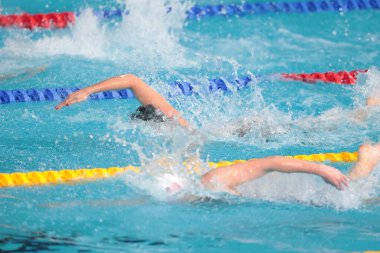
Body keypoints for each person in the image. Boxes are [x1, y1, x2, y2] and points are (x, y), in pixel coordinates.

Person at [55, 74, 380, 195]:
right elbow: (131, 80)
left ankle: (366, 111)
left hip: (257, 131)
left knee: (325, 128)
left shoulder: (179, 132)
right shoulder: (172, 123)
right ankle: (365, 110)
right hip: (246, 130)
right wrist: (87, 90)